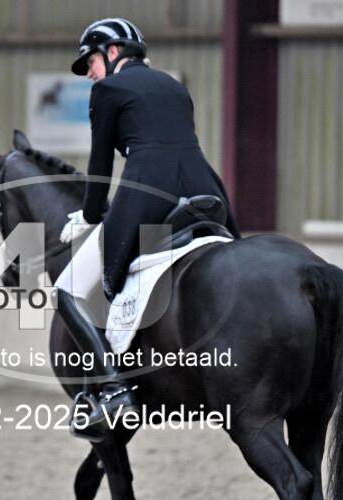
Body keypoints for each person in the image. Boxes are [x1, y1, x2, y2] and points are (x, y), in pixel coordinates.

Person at [54, 18, 241, 441]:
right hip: (204, 188)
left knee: (68, 291)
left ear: (113, 52)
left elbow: (100, 163)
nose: (90, 74)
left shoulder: (108, 91)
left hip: (148, 192)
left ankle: (114, 390)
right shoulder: (174, 87)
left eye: (91, 63)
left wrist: (90, 215)